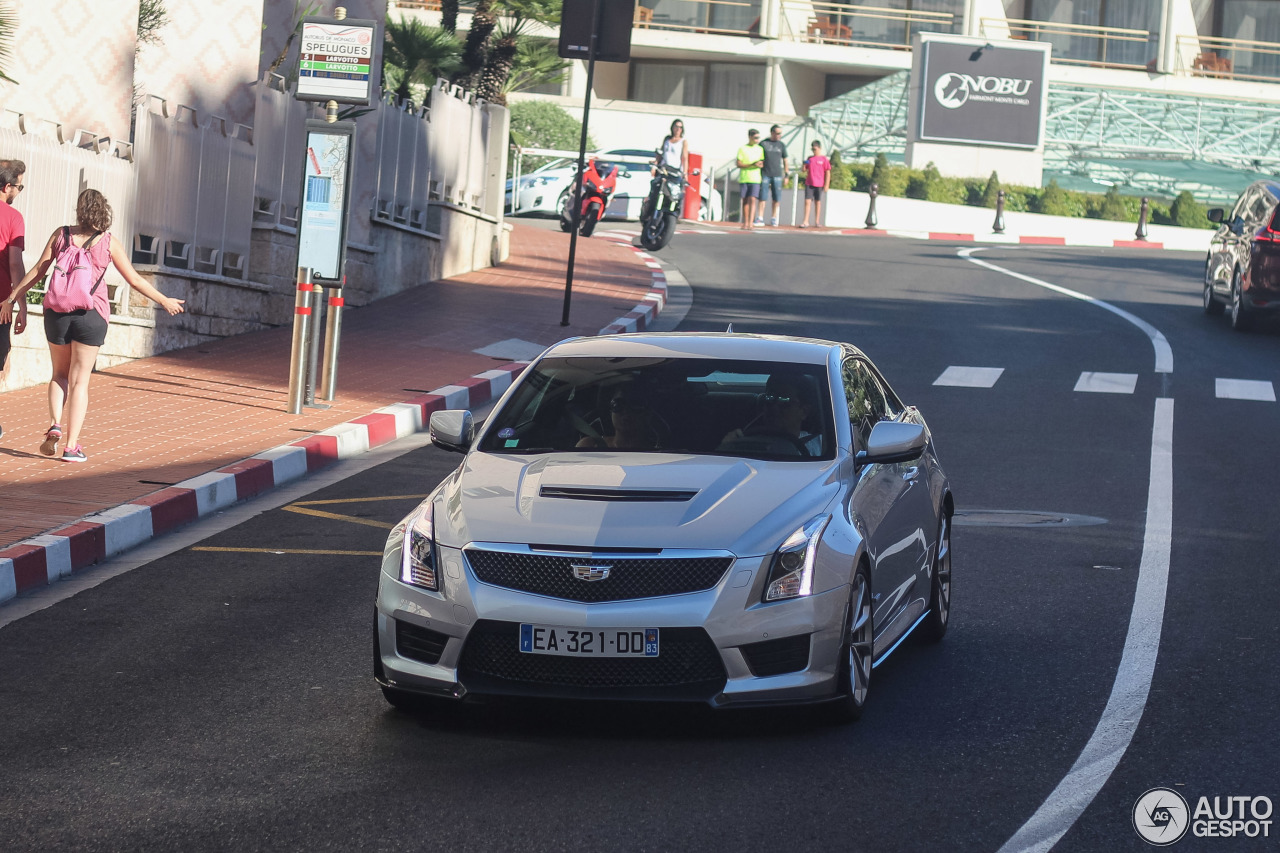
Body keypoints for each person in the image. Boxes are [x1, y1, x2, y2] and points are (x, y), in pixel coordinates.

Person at [1, 189, 185, 462]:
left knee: (59, 375)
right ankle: (71, 446)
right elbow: (134, 280)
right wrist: (164, 300)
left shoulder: (61, 235)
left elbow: (39, 268)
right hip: (91, 316)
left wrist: (12, 298)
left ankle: (54, 424)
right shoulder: (108, 242)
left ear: (79, 210)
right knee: (79, 381)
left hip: (57, 314)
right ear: (103, 210)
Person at [718, 374, 821, 456]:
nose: (774, 407)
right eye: (769, 398)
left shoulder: (821, 444)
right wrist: (726, 447)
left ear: (804, 411)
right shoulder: (744, 442)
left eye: (784, 401)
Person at [0, 159, 27, 436]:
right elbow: (16, 265)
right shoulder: (12, 218)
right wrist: (21, 304)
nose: (19, 191)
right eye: (20, 186)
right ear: (7, 187)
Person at [576, 382, 663, 450]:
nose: (625, 411)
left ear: (648, 414)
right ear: (610, 411)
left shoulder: (661, 454)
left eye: (635, 405)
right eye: (618, 404)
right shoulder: (589, 445)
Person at [759, 125, 789, 227]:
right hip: (765, 174)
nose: (779, 135)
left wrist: (786, 174)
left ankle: (774, 217)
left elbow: (785, 160)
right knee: (763, 196)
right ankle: (760, 217)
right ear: (772, 133)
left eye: (780, 133)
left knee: (776, 198)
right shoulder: (763, 143)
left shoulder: (781, 145)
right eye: (777, 133)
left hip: (777, 175)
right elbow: (758, 157)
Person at [736, 128, 764, 231]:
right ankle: (745, 222)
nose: (757, 140)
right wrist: (751, 164)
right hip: (744, 178)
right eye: (755, 138)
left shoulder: (760, 149)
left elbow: (761, 163)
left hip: (755, 178)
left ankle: (751, 222)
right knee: (745, 201)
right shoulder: (742, 148)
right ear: (750, 137)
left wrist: (758, 164)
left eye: (758, 138)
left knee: (753, 199)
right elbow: (739, 163)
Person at [800, 140, 832, 228]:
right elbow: (804, 170)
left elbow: (828, 172)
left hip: (819, 183)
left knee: (818, 202)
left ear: (819, 148)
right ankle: (805, 221)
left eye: (815, 149)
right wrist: (803, 164)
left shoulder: (824, 159)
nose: (814, 151)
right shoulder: (810, 159)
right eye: (812, 149)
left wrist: (826, 185)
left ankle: (817, 221)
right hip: (810, 182)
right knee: (807, 201)